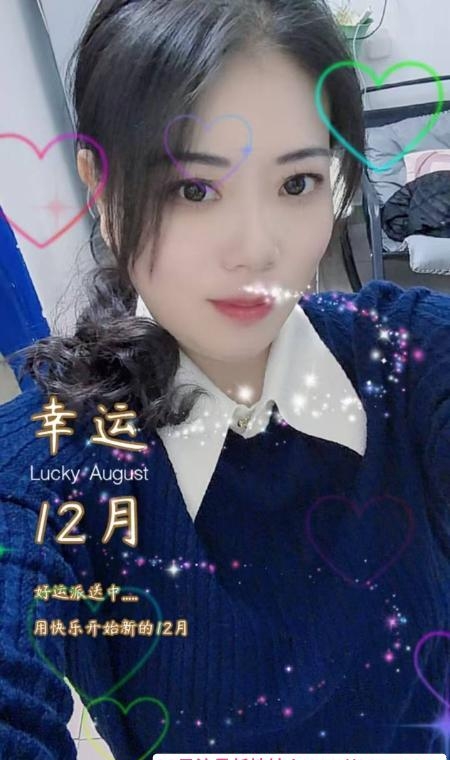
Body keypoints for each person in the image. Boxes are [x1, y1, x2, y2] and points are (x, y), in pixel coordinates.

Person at [0, 0, 449, 757]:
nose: (256, 249)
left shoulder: (406, 358)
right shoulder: (50, 466)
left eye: (297, 183)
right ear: (101, 192)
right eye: (194, 189)